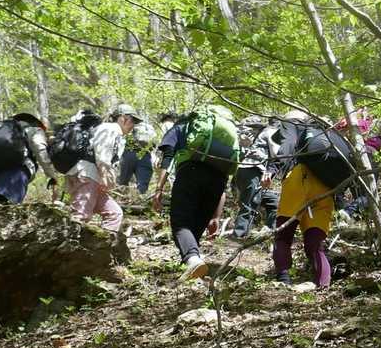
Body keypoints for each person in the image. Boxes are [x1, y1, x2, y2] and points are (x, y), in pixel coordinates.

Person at [258, 112, 355, 288]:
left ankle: (283, 280)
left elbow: (286, 147)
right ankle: (323, 284)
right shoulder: (331, 136)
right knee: (316, 243)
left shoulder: (295, 126)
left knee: (283, 235)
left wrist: (271, 170)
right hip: (326, 188)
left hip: (299, 178)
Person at [151, 104, 239, 280]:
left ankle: (192, 260)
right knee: (196, 225)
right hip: (219, 179)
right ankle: (194, 267)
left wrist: (159, 188)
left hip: (191, 171)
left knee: (180, 222)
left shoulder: (184, 124)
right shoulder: (227, 131)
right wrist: (216, 216)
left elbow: (168, 155)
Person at [52, 108, 124, 232]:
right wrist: (105, 177)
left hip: (86, 175)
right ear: (123, 118)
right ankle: (69, 243)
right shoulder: (111, 128)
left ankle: (105, 243)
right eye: (133, 121)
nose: (133, 125)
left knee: (114, 213)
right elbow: (102, 155)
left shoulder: (103, 129)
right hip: (88, 175)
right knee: (80, 216)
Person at [0, 112, 50, 206]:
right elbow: (40, 149)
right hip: (17, 171)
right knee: (8, 207)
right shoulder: (34, 129)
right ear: (37, 122)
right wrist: (52, 175)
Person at [230, 116, 279, 239]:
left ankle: (268, 234)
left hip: (243, 171)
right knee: (249, 204)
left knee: (274, 202)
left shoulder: (260, 133)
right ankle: (238, 236)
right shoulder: (271, 131)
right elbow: (276, 153)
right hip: (253, 170)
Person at [114, 105, 158, 201]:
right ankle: (139, 201)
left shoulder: (126, 125)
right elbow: (154, 143)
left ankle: (120, 200)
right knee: (142, 184)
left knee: (122, 181)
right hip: (145, 155)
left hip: (127, 154)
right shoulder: (149, 127)